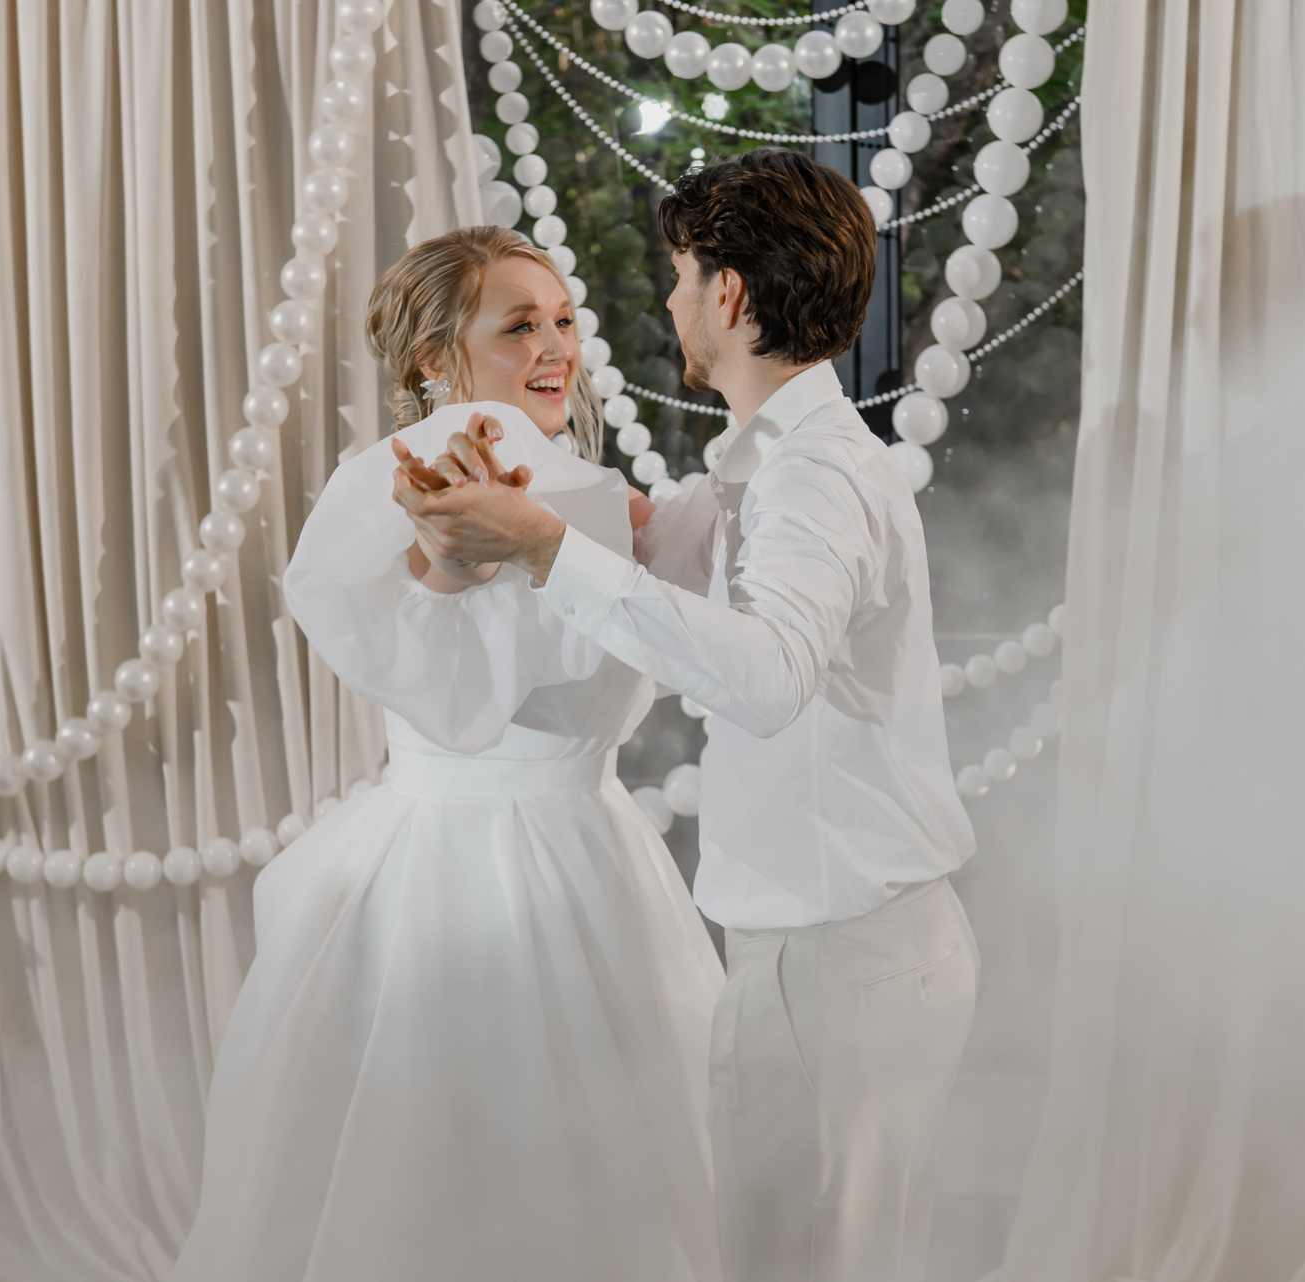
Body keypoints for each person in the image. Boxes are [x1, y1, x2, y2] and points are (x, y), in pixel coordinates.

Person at [397, 151, 979, 1282]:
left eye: (678, 276)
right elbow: (671, 598)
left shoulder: (811, 478)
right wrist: (560, 526)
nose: (667, 303)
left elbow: (765, 678)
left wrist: (550, 547)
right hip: (835, 948)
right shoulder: (766, 470)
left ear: (729, 293)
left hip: (839, 959)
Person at [169, 227, 724, 1282]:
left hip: (590, 844)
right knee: (469, 1158)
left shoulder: (586, 490)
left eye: (562, 319)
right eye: (518, 326)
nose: (554, 346)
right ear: (436, 357)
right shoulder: (428, 477)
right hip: (467, 865)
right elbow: (436, 646)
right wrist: (448, 564)